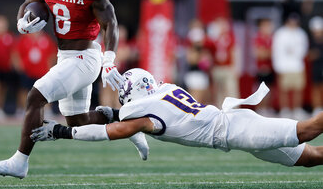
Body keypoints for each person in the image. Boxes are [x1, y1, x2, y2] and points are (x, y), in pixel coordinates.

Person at [0, 0, 148, 179]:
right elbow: (30, 0)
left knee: (36, 96)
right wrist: (21, 23)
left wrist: (109, 59)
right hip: (65, 56)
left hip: (85, 57)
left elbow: (110, 23)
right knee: (78, 122)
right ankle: (128, 124)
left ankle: (20, 161)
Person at [32, 68, 323, 169]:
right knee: (310, 158)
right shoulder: (166, 90)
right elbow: (132, 115)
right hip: (235, 129)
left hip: (237, 130)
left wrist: (61, 132)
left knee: (308, 130)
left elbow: (112, 131)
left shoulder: (142, 114)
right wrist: (113, 112)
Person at [272, 13, 309, 120]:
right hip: (284, 66)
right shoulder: (280, 33)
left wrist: (297, 54)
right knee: (284, 89)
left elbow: (304, 49)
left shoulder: (301, 33)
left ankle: (297, 109)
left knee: (298, 88)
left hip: (297, 65)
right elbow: (276, 51)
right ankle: (285, 109)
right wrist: (277, 66)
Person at [253, 18, 275, 116]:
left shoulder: (273, 38)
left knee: (270, 90)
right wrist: (269, 52)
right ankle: (260, 108)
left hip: (271, 67)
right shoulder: (258, 38)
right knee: (260, 90)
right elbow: (259, 54)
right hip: (261, 68)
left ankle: (267, 108)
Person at [308, 16, 323, 116]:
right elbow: (309, 56)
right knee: (316, 88)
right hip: (316, 68)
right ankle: (317, 108)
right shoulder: (311, 41)